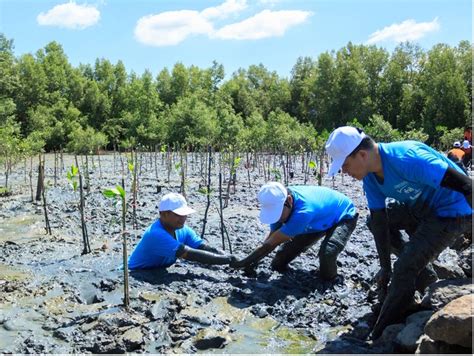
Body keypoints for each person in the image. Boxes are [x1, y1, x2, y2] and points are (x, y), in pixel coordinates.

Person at [325, 126, 472, 339]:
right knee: (377, 227)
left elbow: (467, 186)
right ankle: (419, 272)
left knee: (404, 268)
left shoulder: (407, 158)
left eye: (345, 165)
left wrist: (374, 338)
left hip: (453, 211)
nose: (344, 172)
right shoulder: (370, 177)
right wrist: (385, 268)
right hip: (421, 208)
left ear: (362, 155)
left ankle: (386, 325)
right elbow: (379, 222)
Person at [230, 182, 358, 281]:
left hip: (343, 215)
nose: (277, 218)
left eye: (278, 213)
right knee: (278, 262)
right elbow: (271, 237)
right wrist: (255, 261)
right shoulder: (278, 200)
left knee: (328, 252)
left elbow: (271, 244)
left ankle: (332, 280)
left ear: (289, 201)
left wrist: (243, 262)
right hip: (317, 219)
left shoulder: (303, 212)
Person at [128, 192, 233, 270]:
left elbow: (202, 247)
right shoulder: (155, 234)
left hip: (155, 271)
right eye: (178, 214)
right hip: (134, 272)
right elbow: (190, 254)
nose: (183, 218)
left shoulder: (183, 229)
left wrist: (228, 256)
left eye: (184, 214)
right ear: (163, 214)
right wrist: (228, 260)